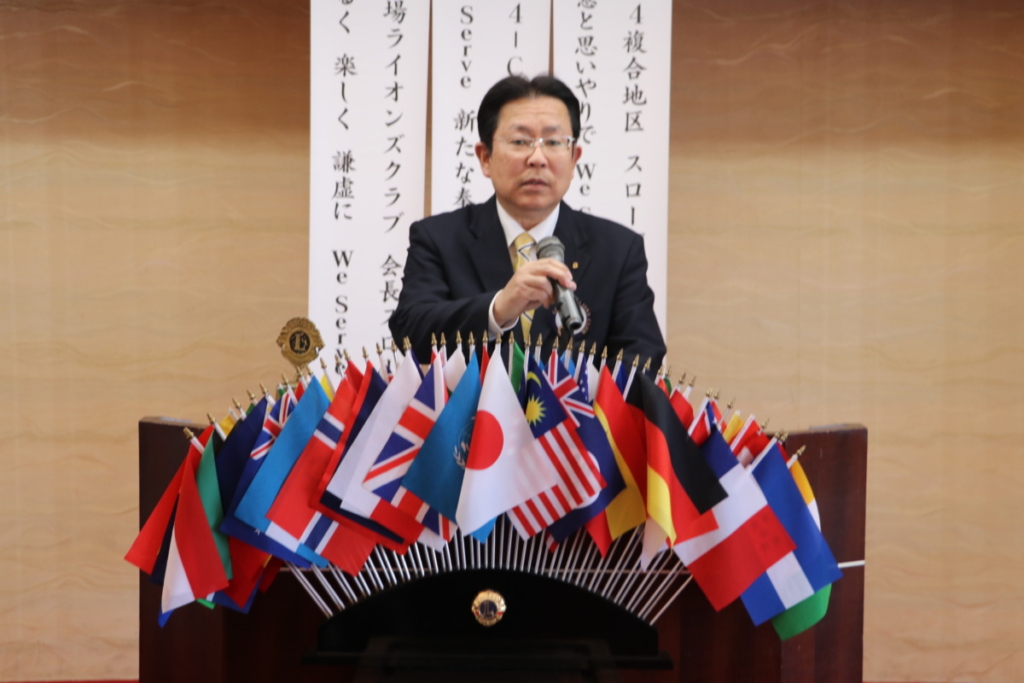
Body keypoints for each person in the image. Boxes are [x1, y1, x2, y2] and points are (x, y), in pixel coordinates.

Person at [389, 75, 665, 368]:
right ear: (485, 157)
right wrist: (497, 309)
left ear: (574, 159)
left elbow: (642, 359)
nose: (537, 158)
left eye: (554, 142)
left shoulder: (618, 249)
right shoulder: (439, 238)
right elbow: (410, 333)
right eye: (520, 141)